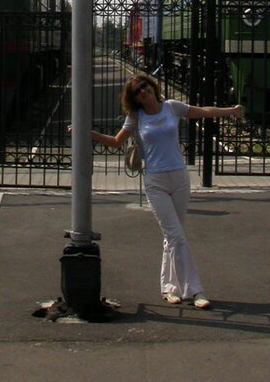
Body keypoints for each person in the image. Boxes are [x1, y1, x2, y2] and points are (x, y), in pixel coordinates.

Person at [89, 74, 242, 308]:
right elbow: (116, 142)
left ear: (153, 86)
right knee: (176, 236)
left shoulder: (172, 107)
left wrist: (230, 110)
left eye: (145, 85)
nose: (143, 90)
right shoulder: (136, 117)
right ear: (135, 99)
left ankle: (169, 288)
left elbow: (203, 111)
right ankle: (195, 291)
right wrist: (86, 132)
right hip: (156, 181)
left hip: (179, 178)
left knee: (173, 236)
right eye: (138, 90)